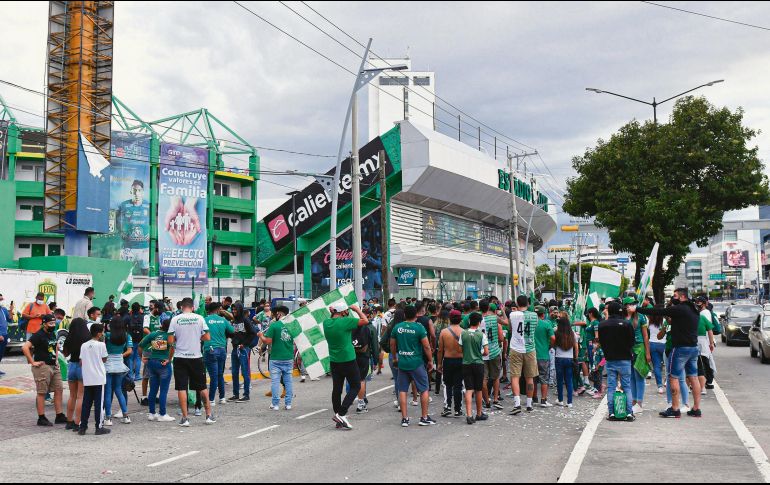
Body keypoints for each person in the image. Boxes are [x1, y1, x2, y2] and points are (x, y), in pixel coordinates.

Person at [637, 288, 702, 418]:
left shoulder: (679, 308)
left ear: (682, 297)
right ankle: (696, 408)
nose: (673, 298)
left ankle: (675, 408)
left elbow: (658, 311)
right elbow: (683, 323)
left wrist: (638, 309)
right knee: (693, 377)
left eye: (675, 295)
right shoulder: (694, 309)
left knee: (673, 377)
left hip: (680, 349)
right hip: (693, 348)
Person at [167, 297, 215, 426]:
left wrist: (178, 338)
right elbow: (207, 337)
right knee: (202, 387)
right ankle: (209, 415)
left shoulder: (175, 319)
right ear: (192, 307)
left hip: (180, 357)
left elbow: (170, 341)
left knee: (182, 388)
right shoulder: (199, 318)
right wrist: (196, 337)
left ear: (181, 307)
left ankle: (185, 418)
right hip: (196, 357)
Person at [322, 303, 368, 430]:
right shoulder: (345, 322)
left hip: (334, 361)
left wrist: (334, 311)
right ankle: (341, 413)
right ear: (343, 312)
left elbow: (333, 316)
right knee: (356, 385)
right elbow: (365, 320)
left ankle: (338, 419)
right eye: (346, 311)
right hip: (348, 359)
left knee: (337, 389)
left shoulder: (326, 323)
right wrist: (357, 309)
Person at [391, 305, 436, 428]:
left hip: (403, 363)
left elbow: (392, 345)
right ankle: (424, 417)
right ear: (416, 315)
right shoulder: (419, 328)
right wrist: (431, 361)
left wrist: (395, 358)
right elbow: (426, 346)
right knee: (424, 389)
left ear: (405, 315)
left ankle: (405, 419)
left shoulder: (397, 327)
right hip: (416, 363)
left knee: (403, 390)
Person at [22, 314, 66, 426]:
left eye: (54, 323)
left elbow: (55, 347)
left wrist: (56, 360)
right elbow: (25, 347)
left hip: (53, 366)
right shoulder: (38, 335)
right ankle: (41, 417)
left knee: (59, 389)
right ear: (44, 323)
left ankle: (59, 415)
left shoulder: (53, 334)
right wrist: (32, 362)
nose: (53, 325)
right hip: (42, 366)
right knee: (42, 392)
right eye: (50, 323)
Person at [598, 301, 636, 421]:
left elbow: (601, 342)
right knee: (627, 387)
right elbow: (632, 341)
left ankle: (612, 413)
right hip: (625, 358)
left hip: (610, 359)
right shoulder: (627, 324)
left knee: (611, 387)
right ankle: (629, 413)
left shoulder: (602, 325)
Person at [139, 314, 176, 422]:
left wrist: (142, 357)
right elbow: (172, 348)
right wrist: (169, 359)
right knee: (163, 391)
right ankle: (162, 414)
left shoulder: (153, 334)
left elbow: (140, 345)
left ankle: (151, 413)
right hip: (163, 363)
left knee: (153, 389)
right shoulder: (169, 336)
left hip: (152, 362)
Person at [259, 305, 294, 411]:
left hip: (275, 358)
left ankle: (275, 404)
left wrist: (260, 335)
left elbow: (267, 341)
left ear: (279, 314)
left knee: (275, 381)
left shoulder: (274, 325)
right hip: (288, 357)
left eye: (275, 314)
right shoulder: (292, 326)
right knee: (288, 381)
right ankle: (288, 404)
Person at [507, 295, 538, 414]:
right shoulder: (534, 315)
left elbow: (510, 329)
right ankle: (529, 404)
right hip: (530, 349)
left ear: (517, 304)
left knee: (515, 377)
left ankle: (517, 404)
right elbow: (533, 329)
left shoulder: (512, 315)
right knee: (530, 378)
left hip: (515, 348)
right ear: (528, 304)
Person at [78, 323, 110, 436]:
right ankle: (99, 426)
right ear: (98, 333)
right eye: (102, 332)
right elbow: (104, 359)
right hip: (99, 378)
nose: (103, 334)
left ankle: (83, 427)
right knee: (99, 404)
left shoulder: (84, 345)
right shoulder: (101, 345)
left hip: (87, 377)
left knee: (86, 403)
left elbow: (81, 361)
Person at [460, 312, 489, 425]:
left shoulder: (463, 333)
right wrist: (479, 353)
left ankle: (469, 414)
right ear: (479, 323)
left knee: (468, 389)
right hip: (478, 364)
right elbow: (486, 352)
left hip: (466, 363)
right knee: (478, 389)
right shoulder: (481, 335)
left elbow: (461, 348)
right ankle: (479, 413)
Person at [204, 301, 235, 407]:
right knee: (220, 375)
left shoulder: (205, 320)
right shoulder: (223, 320)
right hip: (222, 349)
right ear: (218, 309)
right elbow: (232, 330)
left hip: (210, 349)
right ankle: (222, 398)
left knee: (213, 376)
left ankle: (211, 399)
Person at [103, 319, 132, 426]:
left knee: (108, 391)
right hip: (120, 365)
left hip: (108, 365)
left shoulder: (106, 335)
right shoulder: (126, 336)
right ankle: (126, 416)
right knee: (119, 390)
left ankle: (108, 418)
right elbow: (129, 350)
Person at [437, 310, 464, 417]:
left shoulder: (444, 332)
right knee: (458, 386)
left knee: (447, 385)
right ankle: (458, 409)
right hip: (460, 360)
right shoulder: (463, 332)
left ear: (449, 319)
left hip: (448, 360)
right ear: (460, 319)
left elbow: (440, 350)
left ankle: (447, 406)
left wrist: (439, 364)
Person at [228, 302, 255, 403]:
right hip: (235, 349)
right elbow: (235, 333)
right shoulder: (234, 320)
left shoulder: (245, 320)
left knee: (244, 372)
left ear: (240, 309)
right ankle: (236, 394)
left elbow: (253, 334)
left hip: (243, 349)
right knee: (234, 372)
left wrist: (244, 344)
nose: (234, 311)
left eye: (236, 309)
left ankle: (246, 395)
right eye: (233, 309)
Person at [479, 300, 504, 410]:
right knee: (495, 377)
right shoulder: (494, 319)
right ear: (489, 307)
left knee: (483, 378)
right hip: (494, 350)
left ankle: (486, 400)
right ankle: (495, 399)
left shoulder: (476, 319)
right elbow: (501, 336)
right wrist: (502, 310)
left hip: (482, 352)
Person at [554, 317, 578, 408]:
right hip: (569, 358)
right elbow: (576, 347)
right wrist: (575, 357)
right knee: (569, 380)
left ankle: (560, 400)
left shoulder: (557, 333)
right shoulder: (572, 334)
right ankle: (569, 402)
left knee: (559, 380)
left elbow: (553, 343)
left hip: (559, 358)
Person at [534, 306, 555, 408]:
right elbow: (553, 338)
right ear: (543, 314)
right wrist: (550, 346)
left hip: (532, 354)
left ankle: (533, 398)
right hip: (543, 354)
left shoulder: (531, 324)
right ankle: (543, 399)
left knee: (532, 378)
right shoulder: (547, 324)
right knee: (544, 378)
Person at [694, 296, 716, 394]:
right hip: (702, 341)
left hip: (697, 341)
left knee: (699, 363)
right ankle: (706, 383)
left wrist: (711, 343)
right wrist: (711, 343)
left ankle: (707, 382)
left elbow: (710, 330)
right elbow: (710, 330)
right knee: (704, 362)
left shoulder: (704, 314)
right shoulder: (703, 316)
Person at [648, 310, 667, 395]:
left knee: (656, 366)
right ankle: (666, 381)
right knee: (667, 365)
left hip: (652, 344)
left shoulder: (650, 322)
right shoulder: (665, 321)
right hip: (664, 344)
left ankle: (659, 387)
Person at [126, 303, 145, 381]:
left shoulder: (128, 317)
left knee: (130, 357)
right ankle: (137, 375)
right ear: (139, 308)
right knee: (138, 357)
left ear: (132, 309)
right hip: (140, 338)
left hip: (130, 338)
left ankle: (130, 375)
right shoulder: (143, 317)